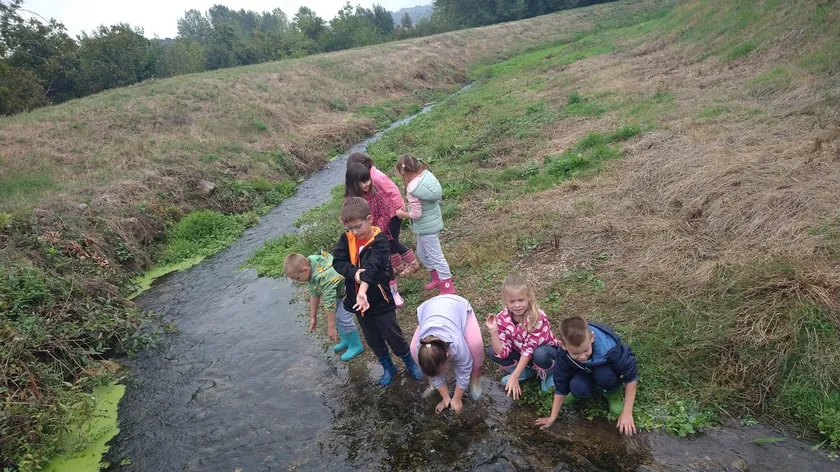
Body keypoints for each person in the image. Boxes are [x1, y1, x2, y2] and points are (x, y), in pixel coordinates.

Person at [332, 197, 423, 385]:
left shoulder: (380, 241)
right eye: (350, 228)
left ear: (370, 219)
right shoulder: (346, 238)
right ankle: (388, 367)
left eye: (358, 227)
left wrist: (362, 288)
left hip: (380, 300)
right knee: (373, 339)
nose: (354, 232)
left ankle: (409, 362)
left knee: (393, 335)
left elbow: (372, 267)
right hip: (360, 305)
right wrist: (354, 272)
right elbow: (337, 262)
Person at [534, 315, 639, 436]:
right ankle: (579, 392)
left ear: (592, 338)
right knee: (577, 387)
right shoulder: (563, 353)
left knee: (604, 375)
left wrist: (627, 412)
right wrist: (552, 417)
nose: (583, 356)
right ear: (563, 345)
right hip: (583, 372)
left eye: (585, 350)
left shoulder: (610, 348)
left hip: (606, 372)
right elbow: (561, 382)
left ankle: (612, 395)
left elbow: (631, 377)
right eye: (575, 353)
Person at [486, 275, 559, 400]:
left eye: (521, 300)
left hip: (545, 353)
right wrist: (494, 332)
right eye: (512, 301)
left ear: (529, 298)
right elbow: (502, 352)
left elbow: (529, 349)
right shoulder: (502, 318)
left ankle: (547, 374)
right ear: (505, 301)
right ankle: (526, 373)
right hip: (523, 354)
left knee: (540, 354)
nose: (517, 305)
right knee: (493, 352)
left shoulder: (538, 317)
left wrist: (514, 376)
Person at [347, 152, 419, 277]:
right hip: (384, 217)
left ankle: (412, 262)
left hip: (392, 214)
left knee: (392, 241)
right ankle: (398, 265)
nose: (366, 183)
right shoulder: (367, 180)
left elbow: (393, 190)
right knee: (387, 242)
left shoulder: (376, 177)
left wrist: (399, 209)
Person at [283, 251, 364, 361]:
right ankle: (346, 340)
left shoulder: (323, 275)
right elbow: (314, 293)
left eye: (297, 278)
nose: (297, 282)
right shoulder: (310, 266)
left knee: (343, 317)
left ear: (305, 270)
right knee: (335, 315)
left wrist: (331, 328)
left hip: (352, 289)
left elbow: (329, 302)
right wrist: (313, 317)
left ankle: (355, 345)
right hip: (339, 292)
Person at [410, 294, 484, 415]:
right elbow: (433, 372)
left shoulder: (456, 344)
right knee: (413, 348)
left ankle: (475, 379)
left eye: (440, 371)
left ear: (448, 355)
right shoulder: (418, 349)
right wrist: (445, 397)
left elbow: (463, 370)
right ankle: (433, 386)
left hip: (457, 306)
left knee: (475, 345)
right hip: (430, 310)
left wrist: (457, 398)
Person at [345, 162, 405, 307]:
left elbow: (385, 213)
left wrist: (377, 230)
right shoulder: (348, 202)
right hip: (361, 244)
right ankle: (370, 294)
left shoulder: (375, 194)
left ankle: (394, 293)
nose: (367, 184)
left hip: (379, 237)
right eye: (363, 181)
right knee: (368, 268)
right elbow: (346, 222)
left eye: (368, 180)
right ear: (353, 183)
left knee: (386, 267)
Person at [394, 153, 455, 295]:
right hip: (431, 223)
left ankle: (447, 285)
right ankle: (436, 278)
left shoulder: (412, 190)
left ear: (403, 172)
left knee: (436, 256)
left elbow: (416, 214)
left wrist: (402, 214)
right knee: (422, 253)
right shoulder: (426, 177)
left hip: (427, 228)